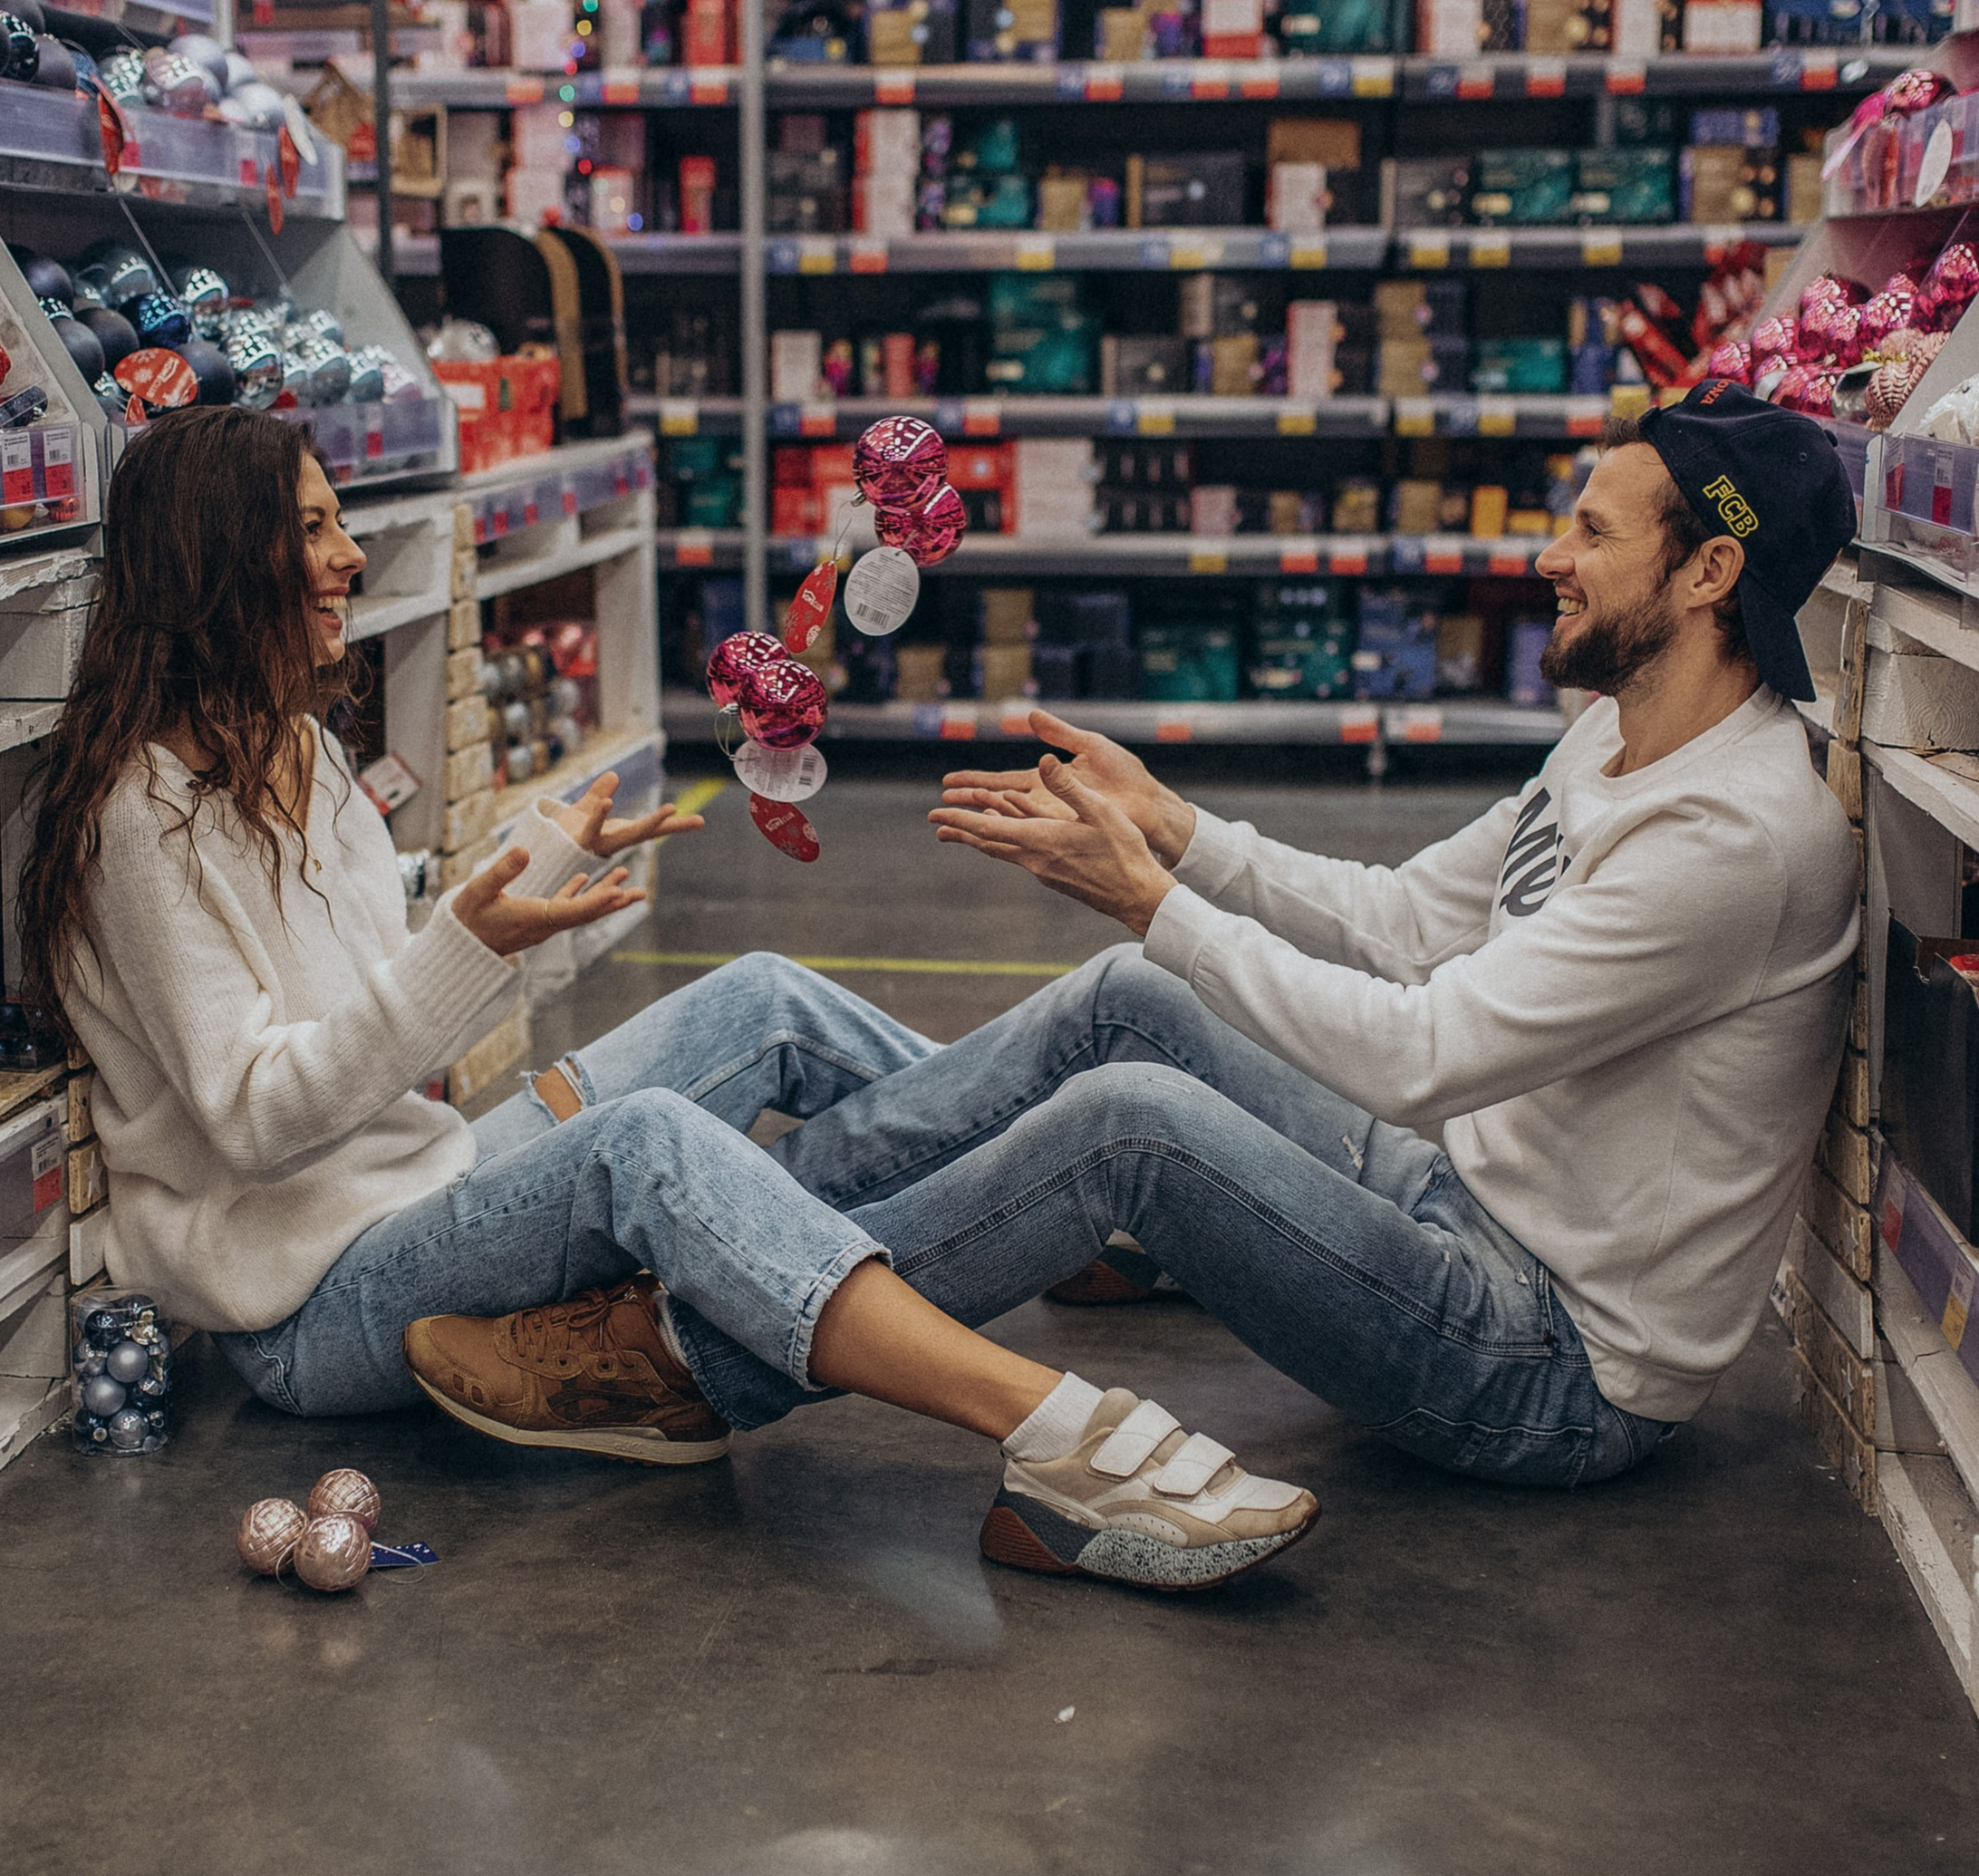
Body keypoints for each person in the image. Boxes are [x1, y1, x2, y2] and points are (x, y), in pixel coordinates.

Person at [425, 385, 1858, 1523]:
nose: (1548, 554)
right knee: (1133, 998)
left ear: (1710, 572)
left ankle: (683, 1360)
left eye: (1594, 534)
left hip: (1547, 1363)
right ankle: (735, 1250)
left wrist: (1148, 896)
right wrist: (1177, 835)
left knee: (1137, 1132)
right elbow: (1412, 919)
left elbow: (1426, 1056)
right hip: (1463, 1200)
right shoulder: (1620, 728)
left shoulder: (1731, 838)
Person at [16, 411, 1318, 1599]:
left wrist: (536, 862)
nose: (349, 555)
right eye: (310, 529)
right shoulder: (139, 821)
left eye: (337, 521)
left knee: (762, 998)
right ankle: (1061, 1444)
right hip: (308, 1303)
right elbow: (253, 1118)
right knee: (650, 1148)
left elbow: (371, 990)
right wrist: (466, 948)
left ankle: (1056, 1203)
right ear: (214, 558)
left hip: (424, 1178)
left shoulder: (296, 749)